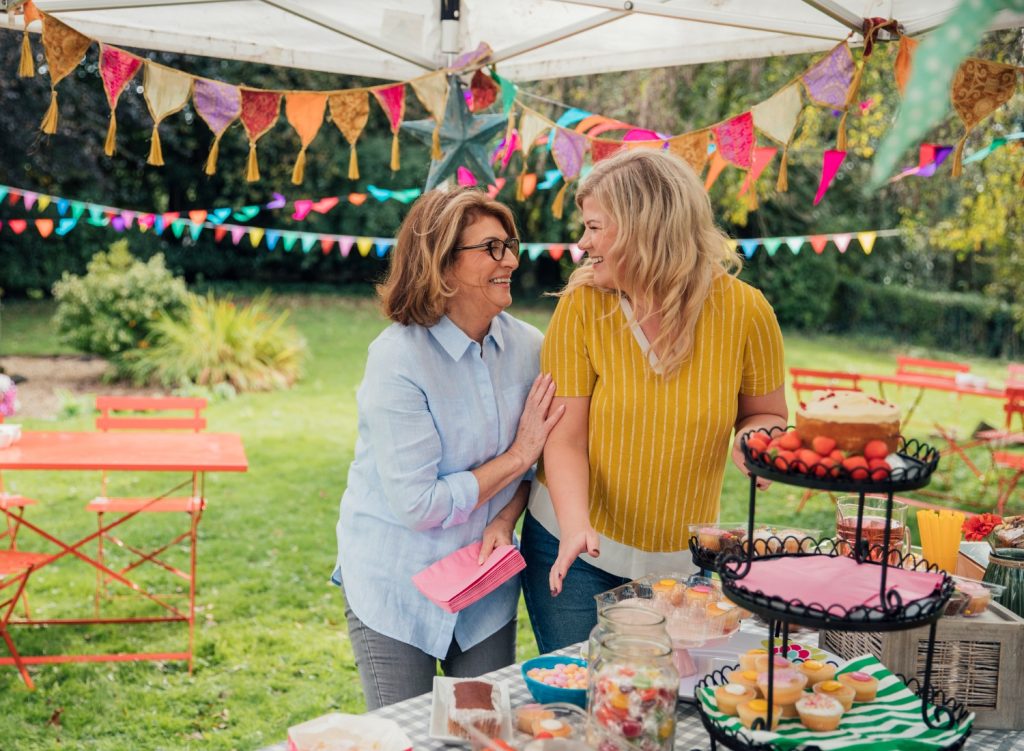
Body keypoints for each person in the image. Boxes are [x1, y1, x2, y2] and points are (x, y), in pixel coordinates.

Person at [520, 148, 787, 653]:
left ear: (645, 227)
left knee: (657, 703)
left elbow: (764, 414)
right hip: (574, 554)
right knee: (589, 699)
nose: (583, 243)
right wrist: (576, 529)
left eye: (595, 227)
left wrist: (757, 445)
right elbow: (565, 438)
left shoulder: (747, 313)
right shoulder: (581, 308)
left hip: (680, 567)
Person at [332, 188, 563, 709]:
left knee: (483, 733)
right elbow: (420, 505)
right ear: (442, 265)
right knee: (404, 739)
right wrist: (518, 456)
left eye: (509, 244)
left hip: (485, 583)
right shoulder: (397, 359)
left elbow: (538, 469)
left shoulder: (530, 347)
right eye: (491, 248)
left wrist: (504, 520)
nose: (510, 260)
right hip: (397, 583)